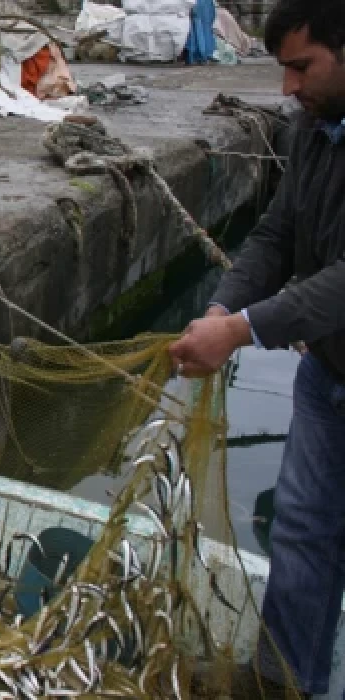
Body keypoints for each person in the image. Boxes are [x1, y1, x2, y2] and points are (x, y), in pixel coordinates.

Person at [169, 0, 345, 696]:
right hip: (329, 371)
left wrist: (240, 331)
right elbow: (276, 236)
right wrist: (220, 306)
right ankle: (280, 681)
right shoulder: (309, 130)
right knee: (300, 532)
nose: (288, 88)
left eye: (302, 67)